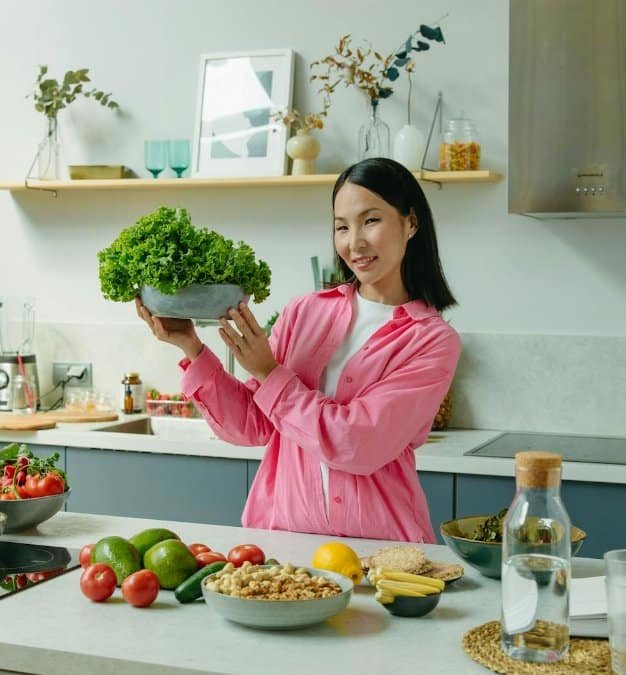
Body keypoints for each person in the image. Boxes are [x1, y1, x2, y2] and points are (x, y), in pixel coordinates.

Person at [135, 157, 460, 543]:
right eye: (341, 227)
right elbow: (253, 425)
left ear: (411, 223)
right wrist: (190, 344)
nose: (353, 242)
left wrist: (270, 375)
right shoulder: (305, 312)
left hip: (381, 552)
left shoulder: (431, 340)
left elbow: (358, 443)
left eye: (370, 220)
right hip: (286, 545)